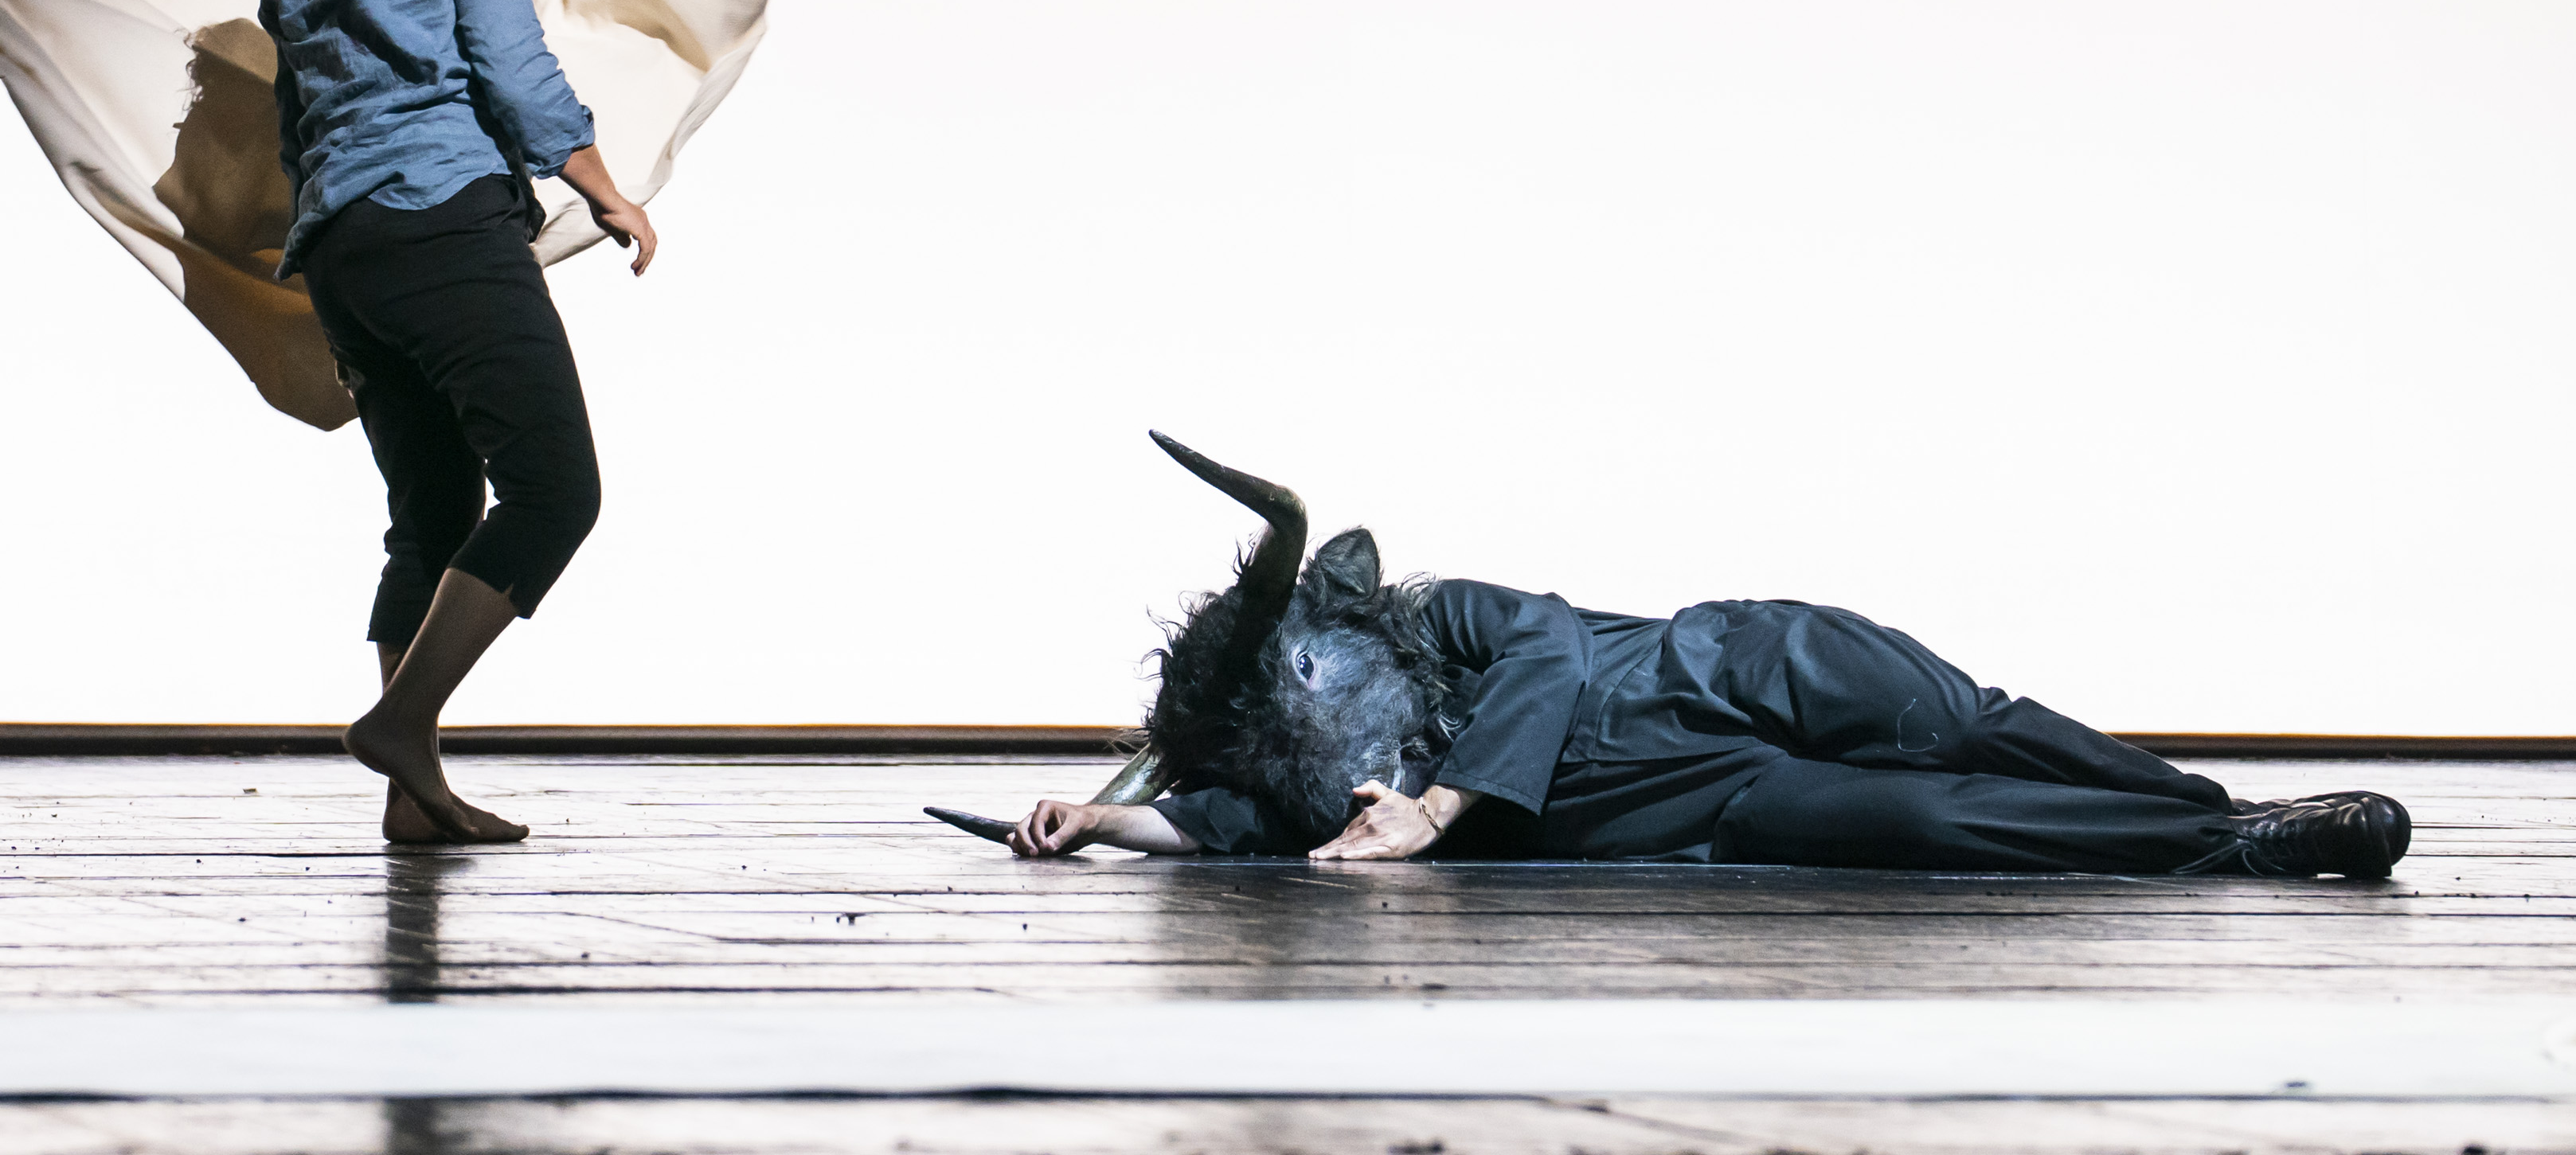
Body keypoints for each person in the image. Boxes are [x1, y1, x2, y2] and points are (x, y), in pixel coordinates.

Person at [995, 438, 2411, 879]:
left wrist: (1439, 805)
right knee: (1922, 823)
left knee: (1949, 726)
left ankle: (2211, 801)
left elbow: (1550, 643)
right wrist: (1106, 821)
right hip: (1698, 804)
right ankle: (2227, 852)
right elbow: (1239, 820)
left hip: (1722, 669)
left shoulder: (1441, 617)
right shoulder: (1301, 782)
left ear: (1330, 631)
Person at [262, 0, 658, 845]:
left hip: (345, 253)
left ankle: (414, 795)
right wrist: (604, 188)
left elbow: (296, 128)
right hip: (444, 224)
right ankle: (402, 726)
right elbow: (514, 70)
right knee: (555, 493)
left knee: (431, 518)